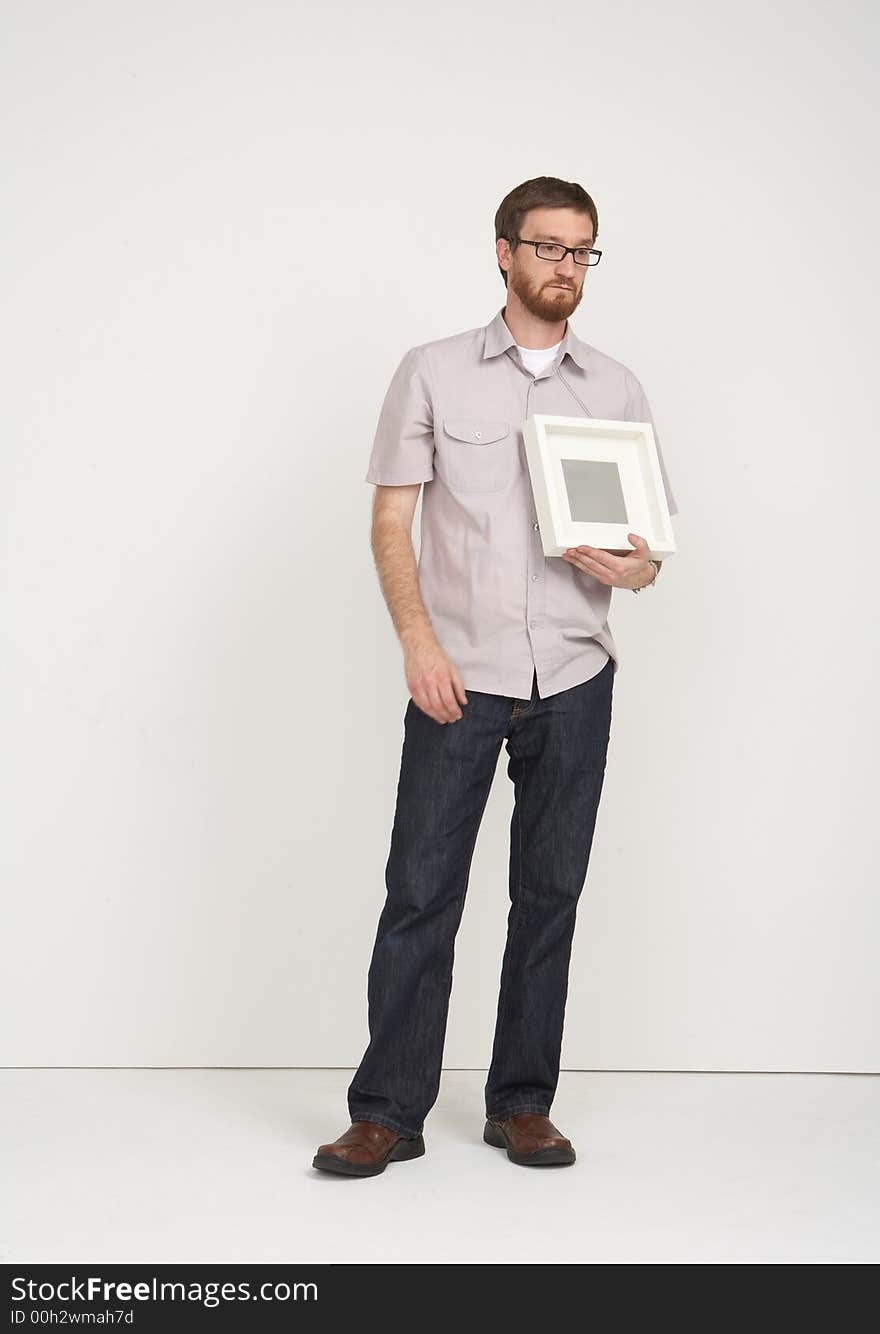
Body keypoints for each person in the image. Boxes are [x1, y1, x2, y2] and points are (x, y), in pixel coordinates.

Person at [312, 176, 679, 1177]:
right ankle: (387, 1108)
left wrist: (633, 566)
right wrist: (417, 641)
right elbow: (392, 521)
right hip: (456, 674)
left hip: (573, 673)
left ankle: (522, 1102)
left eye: (582, 252)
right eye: (548, 246)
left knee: (548, 894)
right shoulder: (430, 371)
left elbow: (651, 550)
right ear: (503, 252)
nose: (565, 267)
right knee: (420, 893)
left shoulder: (616, 389)